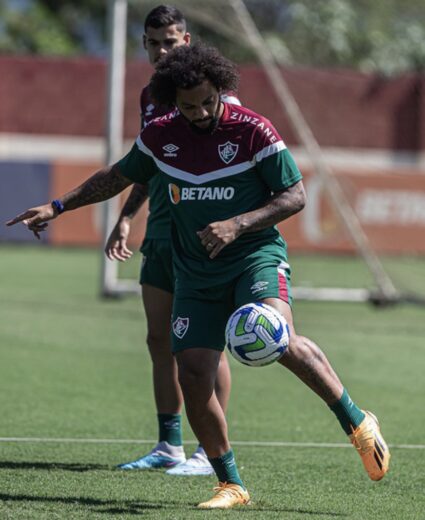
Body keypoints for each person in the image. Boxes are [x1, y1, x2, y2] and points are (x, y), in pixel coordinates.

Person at [7, 42, 390, 510]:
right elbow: (118, 175)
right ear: (173, 102)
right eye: (189, 106)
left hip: (254, 256)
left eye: (208, 101)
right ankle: (231, 484)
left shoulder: (252, 131)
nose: (201, 112)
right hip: (194, 270)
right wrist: (57, 206)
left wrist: (237, 224)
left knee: (275, 335)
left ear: (220, 89)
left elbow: (294, 196)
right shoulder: (162, 135)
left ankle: (355, 420)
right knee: (192, 371)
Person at [105, 5, 239, 476]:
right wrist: (126, 217)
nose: (162, 50)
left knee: (202, 344)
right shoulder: (150, 96)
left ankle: (210, 452)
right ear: (144, 44)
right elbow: (148, 164)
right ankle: (169, 445)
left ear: (187, 42)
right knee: (158, 338)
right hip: (160, 228)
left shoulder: (212, 94)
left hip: (197, 232)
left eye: (171, 41)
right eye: (153, 42)